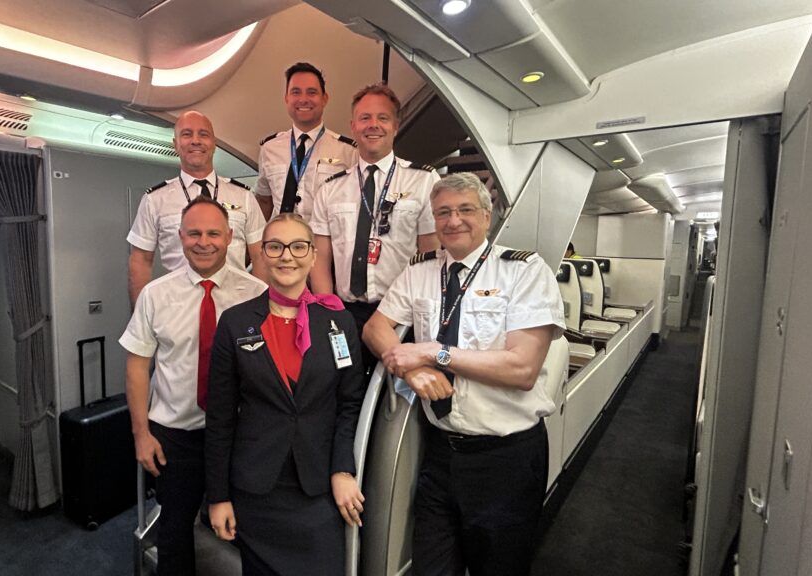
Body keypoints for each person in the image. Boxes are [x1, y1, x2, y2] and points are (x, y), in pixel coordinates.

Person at [362, 172, 566, 576]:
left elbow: (522, 368)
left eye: (465, 210)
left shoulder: (522, 272)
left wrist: (432, 353)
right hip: (439, 454)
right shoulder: (421, 270)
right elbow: (374, 328)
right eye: (443, 213)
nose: (453, 221)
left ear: (487, 217)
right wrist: (414, 371)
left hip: (504, 459)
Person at [206, 213, 367, 576]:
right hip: (257, 488)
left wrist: (343, 469)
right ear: (262, 254)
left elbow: (349, 403)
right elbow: (219, 418)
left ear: (312, 256)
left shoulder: (339, 323)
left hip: (318, 486)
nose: (286, 256)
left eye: (298, 246)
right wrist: (218, 496)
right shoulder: (235, 322)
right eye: (275, 246)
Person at [120, 197, 266, 576]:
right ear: (180, 237)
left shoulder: (256, 294)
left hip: (239, 434)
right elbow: (137, 365)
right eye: (194, 233)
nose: (204, 242)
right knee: (175, 527)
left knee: (249, 527)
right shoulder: (156, 295)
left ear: (231, 237)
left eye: (214, 233)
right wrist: (141, 434)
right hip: (176, 434)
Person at [310, 83, 440, 363]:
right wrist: (327, 312)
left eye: (383, 118)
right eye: (365, 118)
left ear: (396, 125)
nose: (373, 125)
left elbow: (431, 255)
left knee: (390, 398)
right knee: (343, 391)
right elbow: (320, 260)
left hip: (399, 316)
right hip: (344, 312)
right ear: (353, 126)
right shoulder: (331, 188)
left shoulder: (423, 181)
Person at [127, 110, 267, 304]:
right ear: (175, 144)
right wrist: (141, 318)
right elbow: (140, 261)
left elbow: (260, 257)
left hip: (236, 305)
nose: (195, 141)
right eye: (186, 134)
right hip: (178, 307)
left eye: (203, 134)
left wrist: (259, 312)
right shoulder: (155, 200)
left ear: (214, 144)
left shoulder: (244, 196)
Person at [255, 62, 358, 223]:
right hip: (281, 243)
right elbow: (264, 201)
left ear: (324, 99)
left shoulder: (347, 151)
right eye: (296, 92)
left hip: (325, 243)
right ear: (286, 98)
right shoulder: (269, 148)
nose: (303, 99)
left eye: (312, 92)